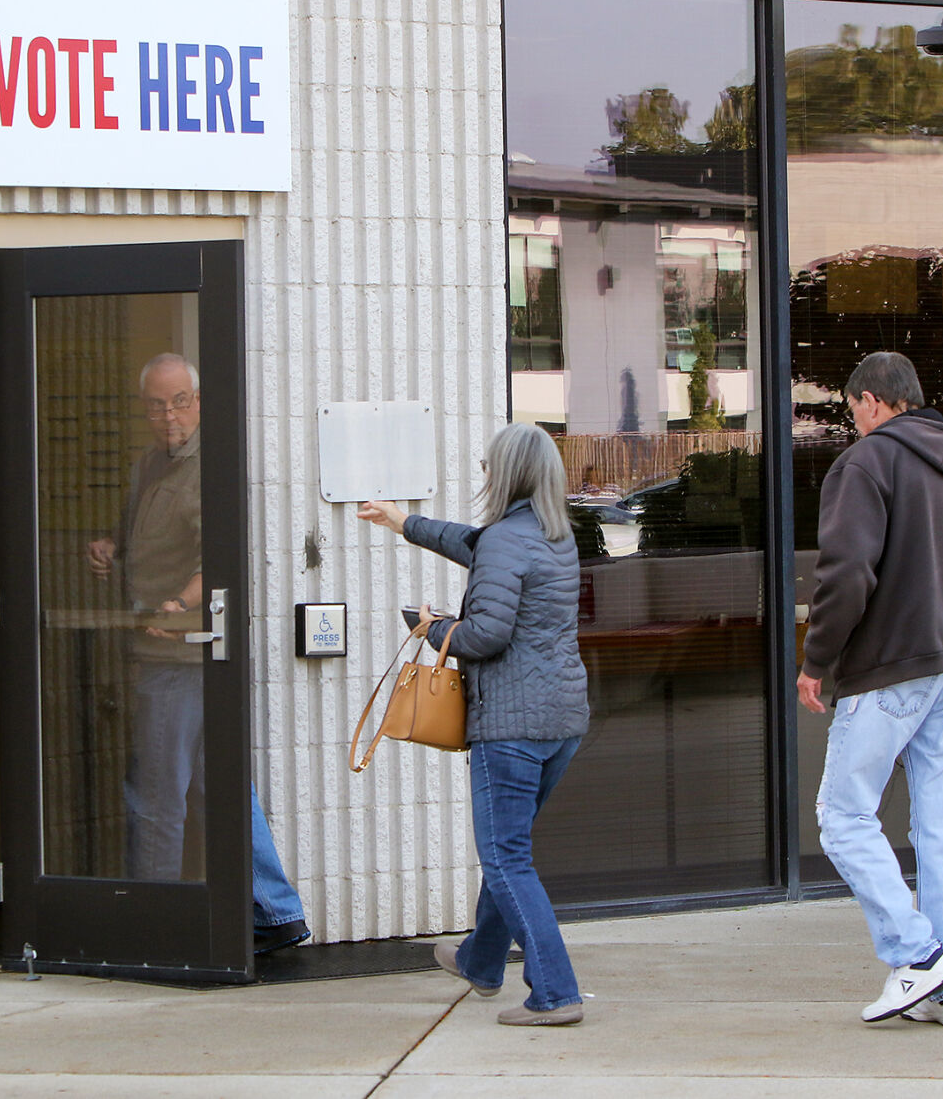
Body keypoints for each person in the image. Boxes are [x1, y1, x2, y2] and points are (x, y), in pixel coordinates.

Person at [799, 351, 943, 1027]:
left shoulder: (868, 464)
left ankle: (919, 957)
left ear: (872, 401)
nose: (854, 424)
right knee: (939, 834)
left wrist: (817, 661)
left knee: (843, 817)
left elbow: (845, 574)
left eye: (852, 412)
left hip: (890, 669)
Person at [358, 423, 591, 1026]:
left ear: (507, 473)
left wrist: (429, 627)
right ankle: (480, 962)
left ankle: (555, 993)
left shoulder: (507, 540)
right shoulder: (552, 534)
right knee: (510, 848)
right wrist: (402, 522)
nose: (484, 475)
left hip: (512, 726)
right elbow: (474, 542)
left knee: (506, 858)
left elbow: (485, 636)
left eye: (489, 467)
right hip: (561, 722)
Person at [89, 352, 311, 954]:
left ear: (199, 402)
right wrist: (112, 546)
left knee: (157, 795)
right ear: (145, 409)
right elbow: (143, 536)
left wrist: (179, 604)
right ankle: (276, 913)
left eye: (179, 402)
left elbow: (218, 549)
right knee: (223, 788)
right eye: (157, 405)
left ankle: (156, 922)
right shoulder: (148, 467)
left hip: (182, 657)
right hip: (176, 653)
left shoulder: (208, 466)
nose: (169, 416)